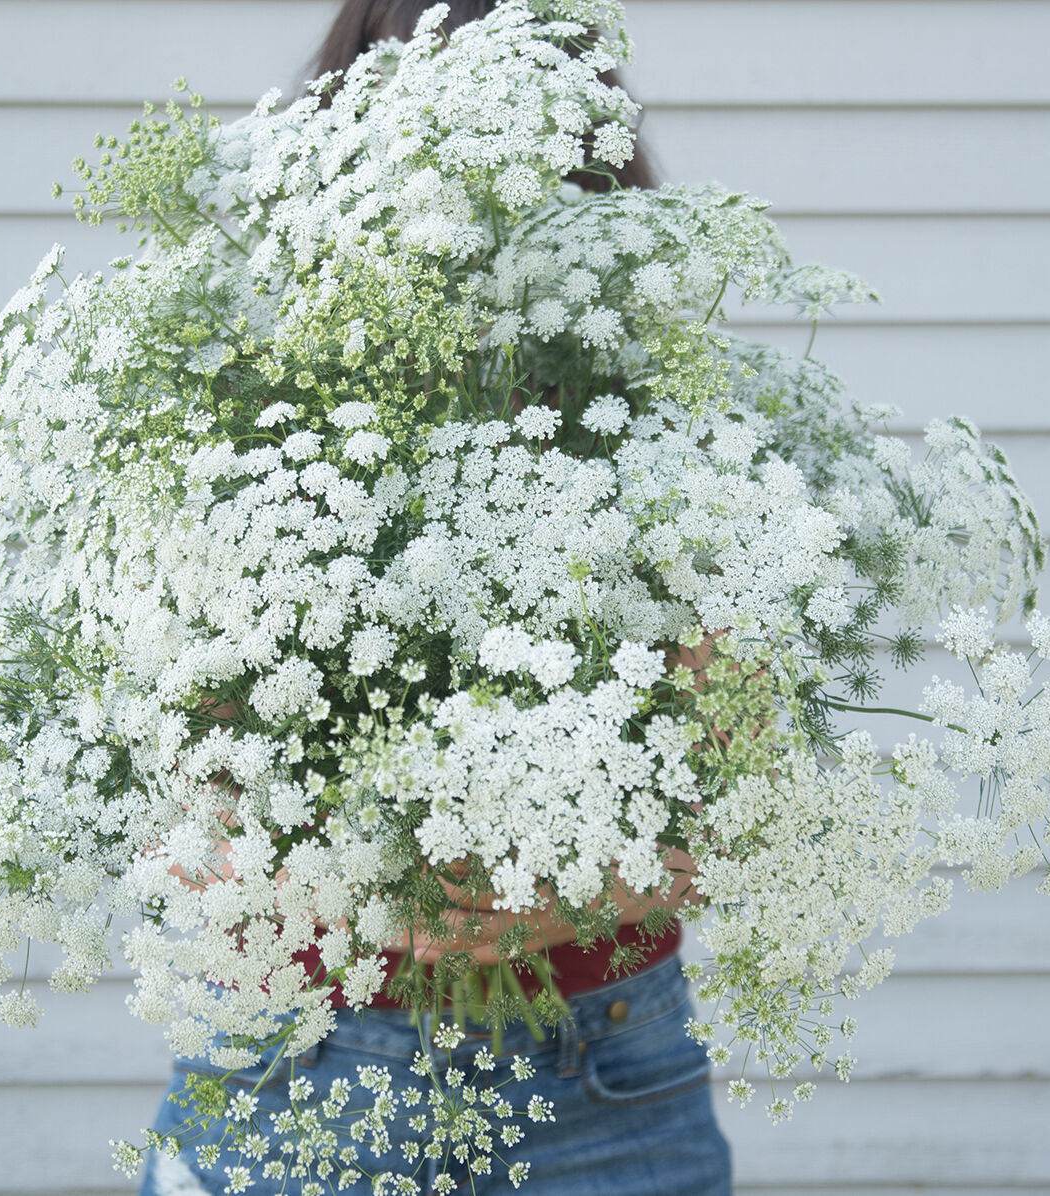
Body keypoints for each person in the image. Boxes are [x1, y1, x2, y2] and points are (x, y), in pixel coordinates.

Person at [139, 3, 733, 1192]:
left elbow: (733, 790)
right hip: (303, 1063)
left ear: (579, 149)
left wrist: (551, 890)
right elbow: (172, 792)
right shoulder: (232, 402)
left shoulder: (668, 424)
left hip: (601, 1072)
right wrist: (367, 883)